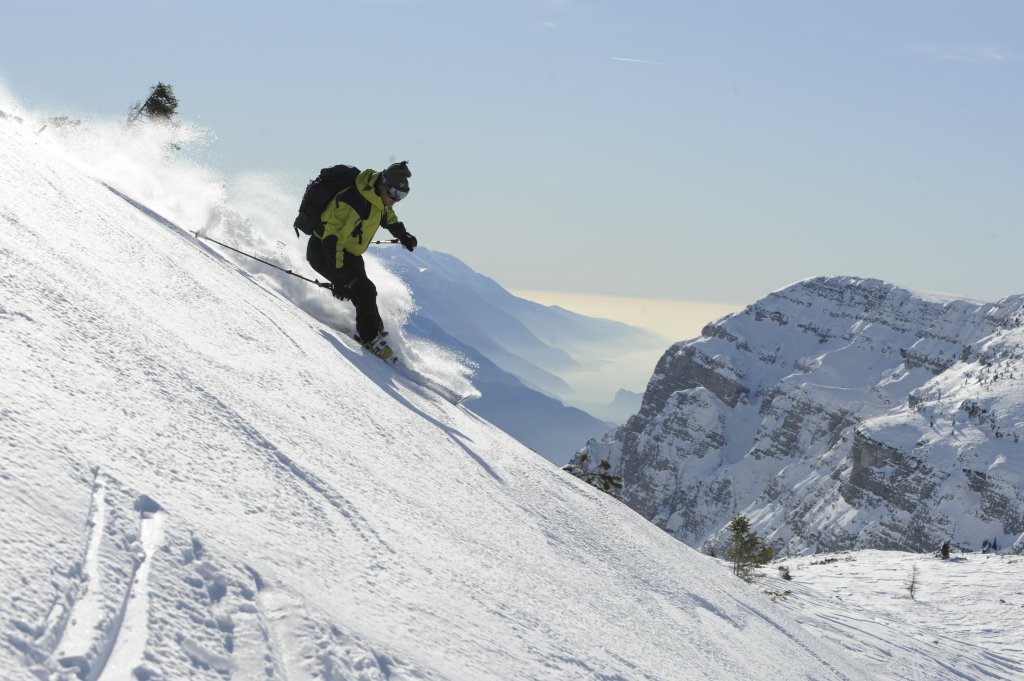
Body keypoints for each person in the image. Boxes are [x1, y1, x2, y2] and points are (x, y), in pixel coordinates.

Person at [305, 161, 418, 361]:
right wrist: (338, 278)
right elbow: (332, 240)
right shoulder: (354, 202)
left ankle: (375, 330)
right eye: (395, 194)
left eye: (402, 195)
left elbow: (387, 217)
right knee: (365, 290)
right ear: (383, 185)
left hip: (349, 254)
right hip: (324, 252)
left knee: (365, 292)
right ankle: (370, 339)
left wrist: (403, 235)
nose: (396, 200)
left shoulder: (377, 198)